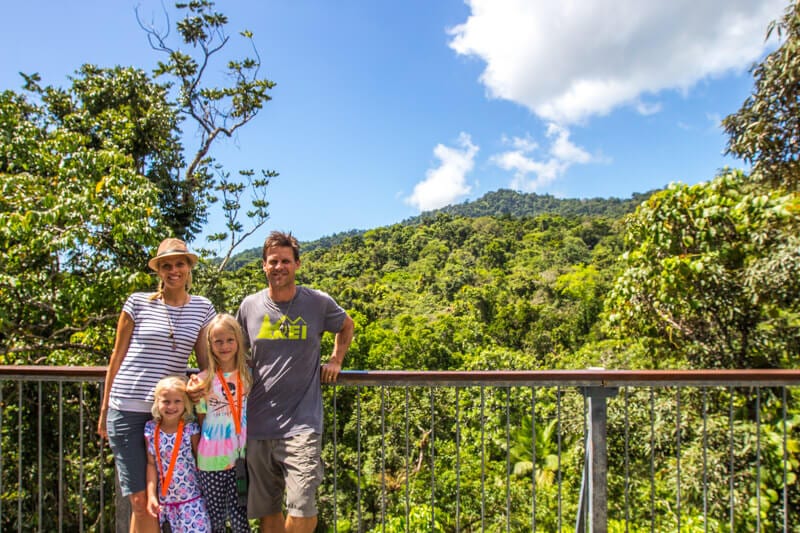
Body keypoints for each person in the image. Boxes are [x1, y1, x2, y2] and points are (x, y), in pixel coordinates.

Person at [236, 231, 354, 533]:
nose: (279, 267)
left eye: (285, 261)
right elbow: (236, 348)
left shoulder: (316, 302)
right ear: (263, 265)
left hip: (302, 424)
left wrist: (336, 359)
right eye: (273, 261)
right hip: (259, 425)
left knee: (302, 507)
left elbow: (345, 324)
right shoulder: (250, 306)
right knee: (268, 512)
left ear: (297, 265)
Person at [98, 238, 216, 533]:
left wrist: (202, 380)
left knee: (163, 496)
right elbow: (117, 355)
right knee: (141, 500)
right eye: (166, 265)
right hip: (125, 407)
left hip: (168, 414)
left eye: (179, 264)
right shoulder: (137, 302)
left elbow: (206, 363)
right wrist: (104, 409)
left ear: (189, 268)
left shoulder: (203, 308)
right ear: (158, 271)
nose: (173, 270)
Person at [193, 314, 252, 532]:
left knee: (240, 520)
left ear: (238, 341)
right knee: (214, 520)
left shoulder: (249, 377)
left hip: (242, 458)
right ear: (210, 345)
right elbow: (202, 419)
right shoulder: (202, 381)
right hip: (211, 460)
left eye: (229, 340)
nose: (224, 346)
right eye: (218, 341)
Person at [145, 375, 211, 532]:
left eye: (177, 401)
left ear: (185, 403)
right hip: (166, 507)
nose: (171, 406)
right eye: (166, 401)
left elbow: (200, 459)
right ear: (157, 403)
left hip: (192, 503)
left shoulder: (190, 430)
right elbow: (151, 464)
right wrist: (151, 496)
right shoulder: (150, 430)